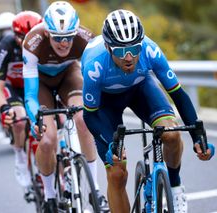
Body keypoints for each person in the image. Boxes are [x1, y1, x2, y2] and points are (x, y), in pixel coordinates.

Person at [81, 9, 215, 213]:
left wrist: (198, 136)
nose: (129, 57)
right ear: (108, 47)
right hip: (105, 103)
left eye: (134, 49)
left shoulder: (150, 50)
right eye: (120, 51)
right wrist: (110, 145)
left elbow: (178, 94)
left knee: (171, 134)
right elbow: (90, 114)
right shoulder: (94, 65)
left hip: (140, 89)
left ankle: (175, 185)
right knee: (117, 172)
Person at [22, 1, 109, 212]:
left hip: (69, 76)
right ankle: (51, 196)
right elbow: (30, 95)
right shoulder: (33, 41)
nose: (64, 43)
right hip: (41, 83)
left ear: (75, 31)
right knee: (48, 139)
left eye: (68, 36)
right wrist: (36, 120)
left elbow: (94, 79)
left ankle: (95, 189)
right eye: (58, 37)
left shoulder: (85, 39)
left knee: (83, 119)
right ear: (47, 33)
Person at [0, 11, 42, 191]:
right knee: (19, 121)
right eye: (21, 38)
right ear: (14, 36)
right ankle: (20, 156)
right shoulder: (5, 46)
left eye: (31, 36)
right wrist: (5, 109)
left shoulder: (43, 43)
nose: (26, 42)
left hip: (37, 87)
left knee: (57, 120)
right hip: (14, 89)